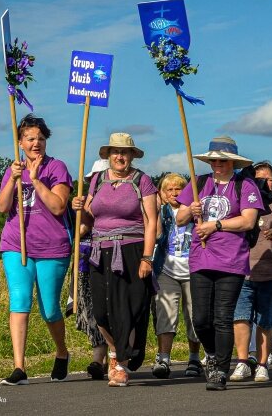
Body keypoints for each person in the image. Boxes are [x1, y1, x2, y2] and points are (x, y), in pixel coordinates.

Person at [176, 136, 264, 391]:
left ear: (232, 162)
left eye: (222, 160)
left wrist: (215, 224)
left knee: (223, 318)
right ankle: (212, 353)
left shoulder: (245, 185)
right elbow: (181, 219)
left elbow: (248, 221)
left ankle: (221, 371)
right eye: (213, 160)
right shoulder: (199, 183)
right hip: (200, 259)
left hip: (231, 260)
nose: (217, 164)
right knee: (201, 318)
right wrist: (190, 209)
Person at [72, 132, 158, 387]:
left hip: (132, 249)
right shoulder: (98, 180)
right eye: (115, 152)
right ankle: (115, 351)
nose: (120, 156)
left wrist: (147, 257)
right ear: (108, 156)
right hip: (99, 251)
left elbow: (151, 221)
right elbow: (89, 219)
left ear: (132, 155)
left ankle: (119, 363)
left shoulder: (142, 180)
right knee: (101, 311)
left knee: (129, 310)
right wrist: (78, 208)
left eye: (125, 152)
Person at [0, 114, 72, 386]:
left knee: (50, 309)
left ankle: (62, 352)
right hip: (16, 245)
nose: (36, 142)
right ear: (20, 142)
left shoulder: (57, 168)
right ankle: (19, 367)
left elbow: (58, 207)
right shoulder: (12, 169)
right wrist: (13, 179)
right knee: (19, 301)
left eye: (40, 138)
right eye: (30, 138)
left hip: (52, 247)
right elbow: (3, 207)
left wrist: (35, 179)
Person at [230, 161, 272, 383]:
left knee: (266, 320)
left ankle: (263, 364)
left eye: (268, 178)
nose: (263, 182)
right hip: (243, 270)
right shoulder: (241, 201)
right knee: (241, 318)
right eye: (258, 178)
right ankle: (243, 362)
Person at [150, 173, 202, 380]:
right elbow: (157, 236)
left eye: (178, 189)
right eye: (168, 189)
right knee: (166, 314)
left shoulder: (195, 210)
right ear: (162, 193)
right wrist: (155, 208)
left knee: (194, 316)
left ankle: (194, 358)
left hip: (193, 268)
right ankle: (163, 358)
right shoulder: (161, 211)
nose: (174, 193)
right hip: (167, 268)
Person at [75, 158, 109, 380]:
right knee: (91, 311)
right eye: (92, 178)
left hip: (110, 259)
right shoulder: (84, 200)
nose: (95, 181)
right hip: (87, 262)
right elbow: (78, 231)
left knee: (109, 310)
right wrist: (81, 212)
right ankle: (99, 358)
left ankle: (108, 357)